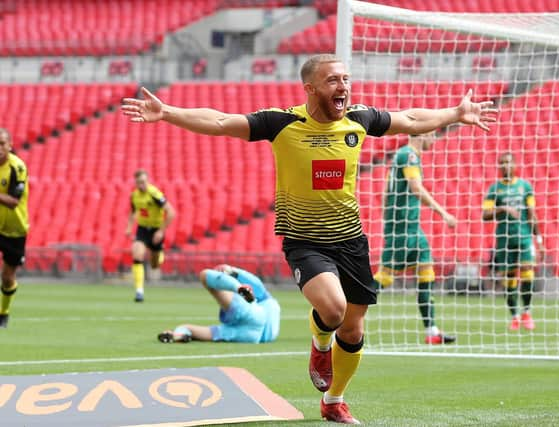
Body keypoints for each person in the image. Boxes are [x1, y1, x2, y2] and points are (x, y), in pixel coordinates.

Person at [122, 54, 497, 424]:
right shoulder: (281, 123)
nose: (343, 86)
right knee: (333, 311)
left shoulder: (359, 119)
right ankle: (320, 347)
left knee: (353, 327)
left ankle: (334, 401)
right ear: (311, 87)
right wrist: (168, 112)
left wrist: (456, 113)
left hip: (351, 240)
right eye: (334, 80)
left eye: (346, 79)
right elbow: (221, 121)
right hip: (304, 240)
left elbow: (411, 119)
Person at [373, 132, 457, 344]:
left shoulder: (399, 156)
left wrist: (387, 217)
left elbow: (384, 192)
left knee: (426, 270)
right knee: (384, 278)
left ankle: (432, 331)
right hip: (402, 229)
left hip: (410, 228)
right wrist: (443, 213)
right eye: (433, 135)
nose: (434, 140)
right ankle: (346, 313)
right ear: (424, 133)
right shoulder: (409, 156)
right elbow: (416, 188)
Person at [482, 152, 544, 331]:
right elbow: (485, 215)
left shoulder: (525, 187)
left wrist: (538, 239)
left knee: (527, 273)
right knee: (508, 278)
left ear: (515, 165)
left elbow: (532, 214)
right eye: (502, 163)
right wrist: (502, 208)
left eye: (508, 162)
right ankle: (515, 316)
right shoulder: (495, 189)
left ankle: (526, 312)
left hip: (524, 237)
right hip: (504, 240)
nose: (505, 166)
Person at [158, 264, 280, 344]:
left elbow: (256, 284)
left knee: (204, 274)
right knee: (196, 330)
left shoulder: (264, 300)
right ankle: (179, 334)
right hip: (253, 337)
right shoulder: (271, 305)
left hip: (251, 321)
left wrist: (234, 272)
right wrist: (235, 272)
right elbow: (256, 283)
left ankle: (237, 287)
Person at [125, 169, 176, 302]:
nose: (141, 185)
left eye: (143, 182)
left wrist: (161, 231)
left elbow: (171, 212)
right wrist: (129, 228)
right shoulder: (134, 196)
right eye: (138, 182)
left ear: (147, 181)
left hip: (156, 230)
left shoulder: (155, 194)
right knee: (137, 253)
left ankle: (160, 254)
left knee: (154, 265)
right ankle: (139, 291)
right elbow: (132, 212)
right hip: (142, 229)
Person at [0, 128, 29, 329]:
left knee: (7, 278)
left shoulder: (17, 167)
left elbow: (13, 201)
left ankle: (4, 312)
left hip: (14, 229)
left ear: (10, 145)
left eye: (2, 143)